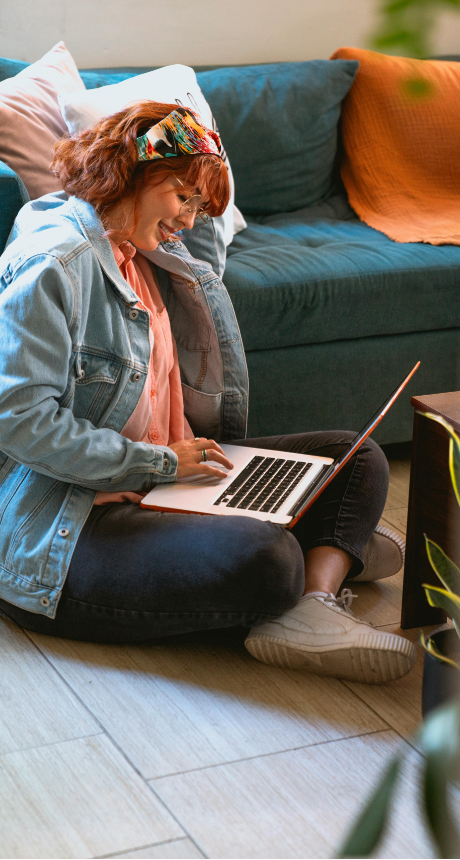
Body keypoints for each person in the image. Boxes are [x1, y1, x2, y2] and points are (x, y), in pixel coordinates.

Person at [0, 100, 415, 684]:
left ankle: (313, 599)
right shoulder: (53, 265)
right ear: (131, 172)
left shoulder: (146, 253)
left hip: (167, 480)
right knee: (268, 560)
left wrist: (184, 467)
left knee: (355, 456)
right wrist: (160, 464)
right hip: (72, 528)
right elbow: (20, 423)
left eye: (199, 205)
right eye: (182, 196)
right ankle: (314, 554)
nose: (190, 221)